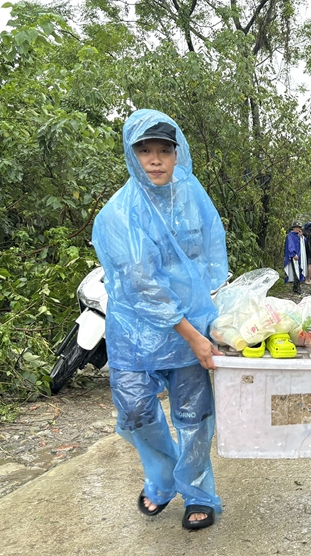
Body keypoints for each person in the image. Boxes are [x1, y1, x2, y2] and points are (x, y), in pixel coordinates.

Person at [91, 109, 229, 531]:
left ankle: (198, 494)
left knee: (193, 415)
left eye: (163, 150)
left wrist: (210, 310)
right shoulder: (120, 213)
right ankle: (162, 479)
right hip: (136, 332)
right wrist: (192, 335)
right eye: (145, 150)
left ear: (176, 152)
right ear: (133, 156)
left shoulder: (192, 195)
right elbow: (140, 285)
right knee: (134, 411)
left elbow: (210, 252)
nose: (155, 159)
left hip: (189, 323)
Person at [284, 221, 307, 293]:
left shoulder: (298, 235)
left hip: (299, 256)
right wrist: (293, 254)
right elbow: (290, 245)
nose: (297, 229)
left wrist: (302, 236)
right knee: (296, 271)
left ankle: (296, 287)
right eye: (296, 227)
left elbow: (304, 242)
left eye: (299, 228)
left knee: (299, 270)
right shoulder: (290, 235)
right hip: (294, 256)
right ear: (293, 228)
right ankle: (297, 288)